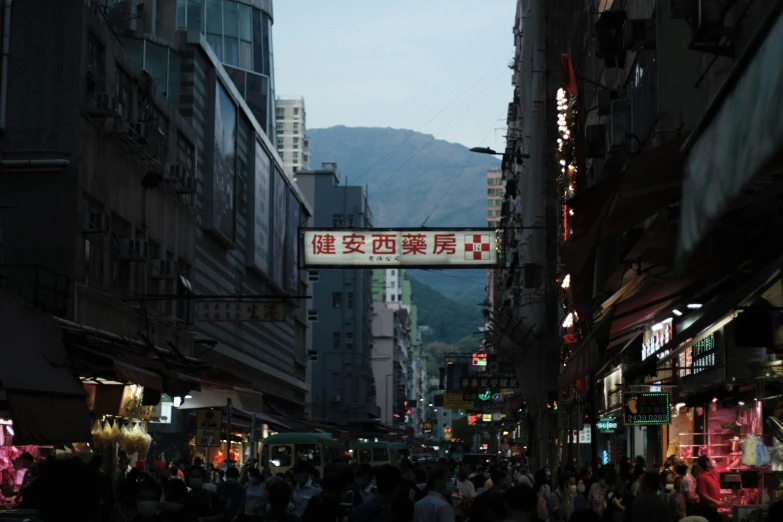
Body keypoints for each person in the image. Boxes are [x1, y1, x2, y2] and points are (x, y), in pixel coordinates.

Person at [695, 456, 721, 522]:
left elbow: (728, 469)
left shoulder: (715, 473)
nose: (713, 460)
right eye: (711, 459)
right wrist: (716, 502)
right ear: (707, 463)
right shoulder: (703, 477)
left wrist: (739, 459)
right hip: (709, 509)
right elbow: (702, 494)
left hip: (716, 508)